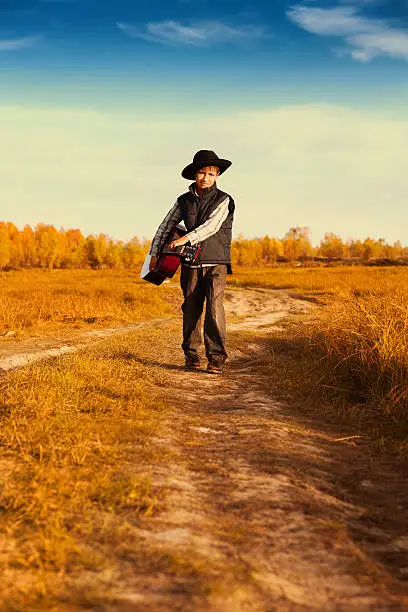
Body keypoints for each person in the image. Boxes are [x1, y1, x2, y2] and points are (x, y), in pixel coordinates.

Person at [148, 149, 235, 374]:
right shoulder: (183, 201)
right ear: (194, 174)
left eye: (211, 174)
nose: (206, 178)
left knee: (215, 309)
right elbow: (165, 225)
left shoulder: (224, 200)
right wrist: (154, 253)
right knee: (191, 309)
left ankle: (216, 357)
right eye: (202, 173)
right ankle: (191, 355)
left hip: (216, 262)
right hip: (189, 264)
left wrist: (186, 238)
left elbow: (212, 227)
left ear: (217, 175)